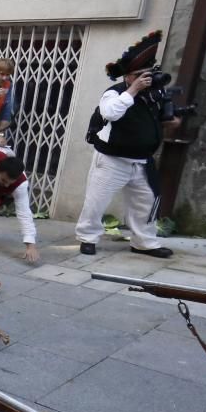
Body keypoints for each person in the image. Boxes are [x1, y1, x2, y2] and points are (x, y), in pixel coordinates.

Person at [75, 31, 176, 258]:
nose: (146, 78)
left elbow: (158, 117)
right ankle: (87, 237)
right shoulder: (115, 93)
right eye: (140, 75)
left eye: (148, 73)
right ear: (128, 76)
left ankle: (144, 242)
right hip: (113, 159)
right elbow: (110, 113)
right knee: (96, 202)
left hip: (143, 160)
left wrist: (170, 121)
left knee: (147, 202)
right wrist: (133, 90)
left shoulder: (154, 94)